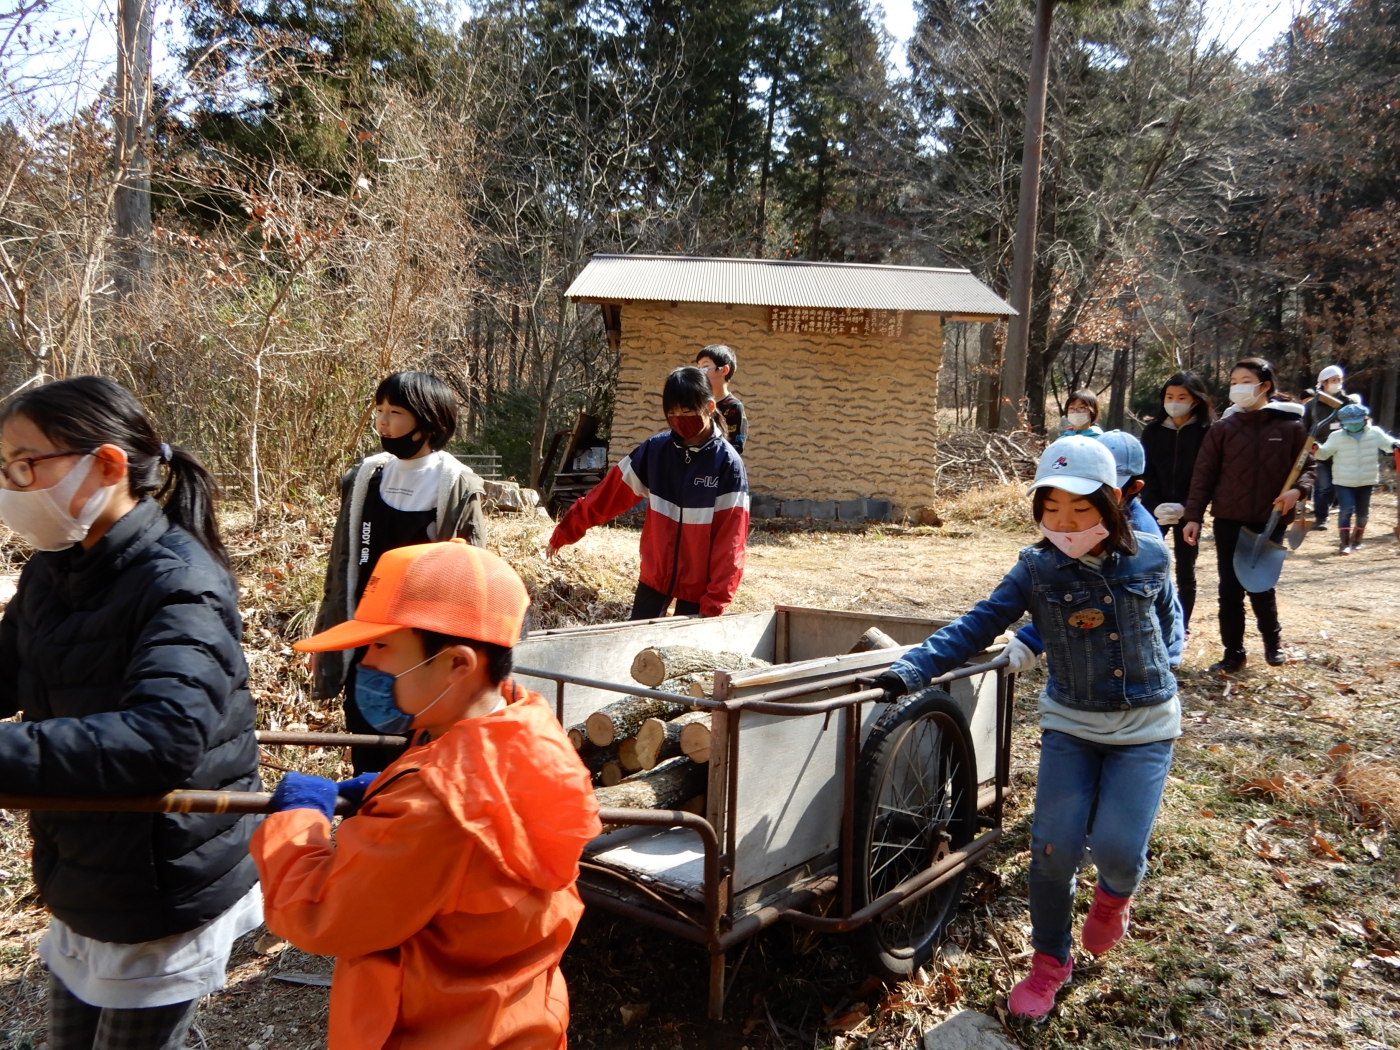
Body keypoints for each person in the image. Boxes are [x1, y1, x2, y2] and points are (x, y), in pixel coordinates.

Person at [865, 436, 1180, 1021]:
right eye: (1051, 509)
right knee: (1051, 851)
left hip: (1145, 725)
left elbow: (1165, 614)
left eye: (1081, 510)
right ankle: (1048, 965)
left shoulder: (1150, 555)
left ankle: (1113, 898)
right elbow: (980, 621)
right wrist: (912, 668)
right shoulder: (1035, 569)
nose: (1064, 523)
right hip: (1071, 723)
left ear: (1112, 503)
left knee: (1116, 849)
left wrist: (1172, 655)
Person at [253, 539, 601, 1050]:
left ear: (458, 664)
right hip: (512, 1023)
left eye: (382, 646)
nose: (365, 663)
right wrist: (393, 783)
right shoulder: (526, 728)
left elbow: (320, 915)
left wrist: (297, 822)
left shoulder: (433, 808)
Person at [0, 377, 262, 1050]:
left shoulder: (181, 580)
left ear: (107, 465)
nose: (12, 484)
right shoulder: (52, 571)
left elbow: (161, 739)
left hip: (162, 880)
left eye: (26, 464)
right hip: (87, 864)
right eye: (4, 469)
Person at [313, 370, 486, 774]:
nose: (383, 422)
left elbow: (471, 578)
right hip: (366, 643)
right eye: (379, 410)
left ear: (428, 421)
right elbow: (341, 569)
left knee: (417, 765)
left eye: (395, 412)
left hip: (423, 655)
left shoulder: (456, 486)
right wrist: (328, 636)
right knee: (367, 761)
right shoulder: (366, 478)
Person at [549, 366, 749, 620]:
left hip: (699, 588)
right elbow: (608, 494)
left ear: (709, 407)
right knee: (638, 647)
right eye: (672, 413)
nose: (679, 418)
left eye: (687, 412)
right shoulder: (656, 451)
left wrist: (715, 603)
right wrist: (567, 529)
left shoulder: (727, 464)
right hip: (656, 576)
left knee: (680, 656)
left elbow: (731, 542)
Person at [1183, 358, 1314, 673]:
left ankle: (1273, 642)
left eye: (1245, 380)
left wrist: (1297, 492)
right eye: (1233, 381)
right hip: (1229, 518)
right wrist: (1193, 516)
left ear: (1264, 385)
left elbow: (1309, 468)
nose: (1237, 387)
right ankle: (1233, 652)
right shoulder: (1223, 429)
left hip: (1270, 519)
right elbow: (1203, 476)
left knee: (1260, 585)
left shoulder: (1291, 428)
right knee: (1229, 589)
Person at [1140, 372, 1215, 634]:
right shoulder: (1151, 431)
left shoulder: (1207, 432)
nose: (1175, 402)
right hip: (1155, 510)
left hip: (1189, 511)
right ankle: (1147, 618)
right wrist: (1153, 505)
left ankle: (1181, 628)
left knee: (1186, 570)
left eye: (1182, 397)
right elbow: (1144, 471)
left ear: (1195, 400)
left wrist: (1190, 508)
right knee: (1146, 564)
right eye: (1169, 396)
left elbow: (1207, 475)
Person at [1313, 403, 1400, 554]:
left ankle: (1357, 539)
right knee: (1346, 510)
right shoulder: (1336, 436)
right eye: (1349, 423)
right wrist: (1316, 449)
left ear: (1365, 419)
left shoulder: (1375, 433)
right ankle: (1344, 544)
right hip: (1343, 481)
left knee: (1363, 514)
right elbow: (1324, 453)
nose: (1353, 425)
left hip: (1367, 480)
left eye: (1356, 422)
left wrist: (1395, 445)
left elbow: (1387, 444)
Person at [1302, 365, 1351, 530]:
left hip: (1342, 451)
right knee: (1324, 486)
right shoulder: (1311, 406)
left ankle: (1328, 509)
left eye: (1339, 380)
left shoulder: (1347, 403)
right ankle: (1321, 518)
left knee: (1336, 486)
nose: (1337, 383)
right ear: (1323, 383)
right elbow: (1304, 427)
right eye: (1333, 380)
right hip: (1319, 450)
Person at [696, 344, 748, 454]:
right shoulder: (698, 403)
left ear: (724, 370)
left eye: (705, 367)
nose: (700, 373)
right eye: (699, 368)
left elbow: (735, 448)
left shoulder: (734, 407)